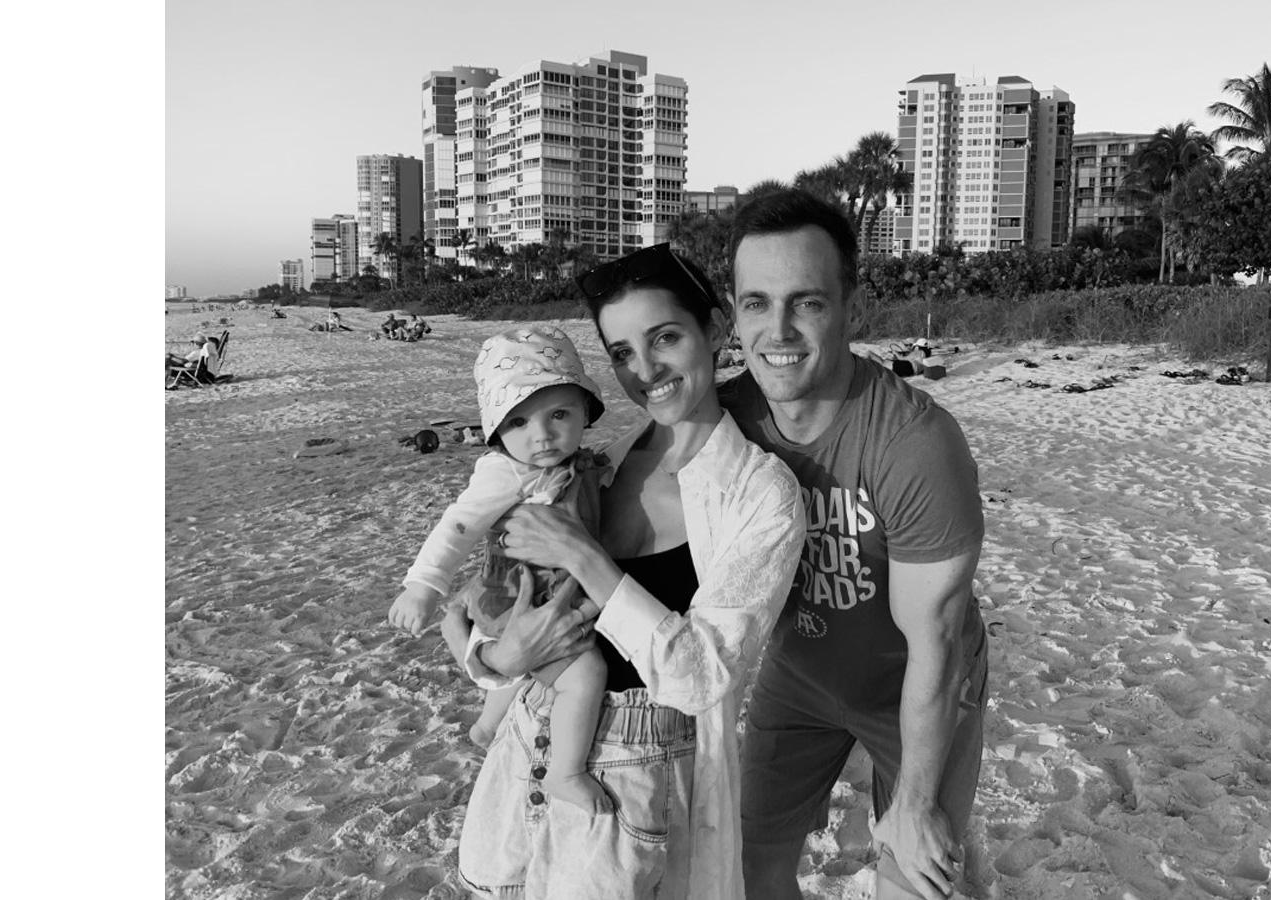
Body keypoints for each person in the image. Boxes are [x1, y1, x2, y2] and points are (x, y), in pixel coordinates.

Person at [451, 242, 804, 899]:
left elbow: (704, 677)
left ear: (716, 328)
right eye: (620, 353)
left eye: (664, 337)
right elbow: (496, 598)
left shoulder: (760, 495)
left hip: (636, 778)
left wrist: (586, 558)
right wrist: (498, 656)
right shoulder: (592, 467)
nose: (645, 370)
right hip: (530, 738)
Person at [719, 190, 989, 900]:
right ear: (734, 312)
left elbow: (936, 639)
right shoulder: (728, 422)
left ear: (850, 306)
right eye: (756, 303)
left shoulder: (915, 444)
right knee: (747, 861)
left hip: (919, 682)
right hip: (801, 673)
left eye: (806, 302)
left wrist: (918, 804)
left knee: (915, 876)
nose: (777, 329)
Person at [387, 326, 614, 812]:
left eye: (559, 414)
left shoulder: (581, 462)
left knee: (532, 666)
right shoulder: (505, 472)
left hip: (553, 592)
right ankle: (566, 772)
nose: (543, 434)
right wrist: (423, 584)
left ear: (584, 414)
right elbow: (459, 525)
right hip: (515, 597)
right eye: (518, 423)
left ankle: (489, 723)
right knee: (586, 674)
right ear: (496, 430)